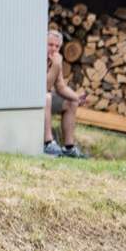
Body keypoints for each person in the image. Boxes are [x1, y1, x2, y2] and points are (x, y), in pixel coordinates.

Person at [45, 29, 87, 158]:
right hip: (33, 100)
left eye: (57, 46)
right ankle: (48, 143)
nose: (54, 49)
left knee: (71, 102)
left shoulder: (54, 60)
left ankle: (69, 147)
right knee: (47, 97)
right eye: (50, 45)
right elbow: (44, 88)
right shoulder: (37, 58)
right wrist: (56, 66)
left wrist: (77, 97)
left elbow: (61, 87)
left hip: (47, 101)